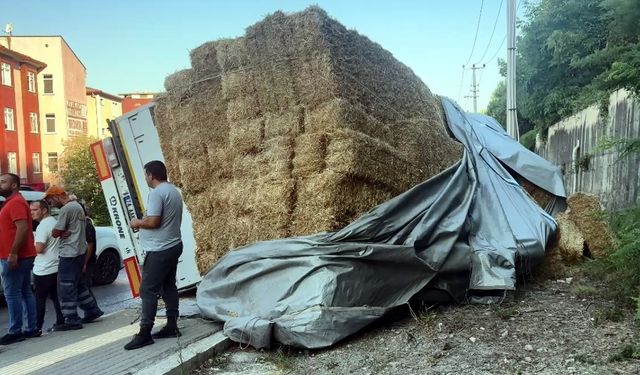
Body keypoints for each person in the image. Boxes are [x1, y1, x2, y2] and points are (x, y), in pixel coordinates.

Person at [124, 160, 183, 350]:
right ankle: (172, 326)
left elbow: (154, 221)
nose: (145, 178)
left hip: (160, 249)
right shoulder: (173, 191)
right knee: (168, 286)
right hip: (173, 244)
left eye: (145, 175)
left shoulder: (157, 193)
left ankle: (145, 333)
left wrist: (137, 222)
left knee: (147, 290)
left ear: (151, 175)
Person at [44, 186, 103, 330]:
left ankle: (71, 319)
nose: (51, 204)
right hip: (79, 252)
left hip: (69, 253)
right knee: (78, 284)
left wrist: (58, 231)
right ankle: (92, 310)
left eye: (50, 201)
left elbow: (56, 232)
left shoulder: (66, 209)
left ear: (57, 196)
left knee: (65, 287)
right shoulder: (77, 206)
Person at [0, 173, 38, 344]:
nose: (0, 184)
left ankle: (16, 331)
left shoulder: (15, 202)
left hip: (15, 256)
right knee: (24, 292)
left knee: (12, 293)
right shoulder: (15, 202)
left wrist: (13, 253)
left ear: (14, 185)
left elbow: (22, 228)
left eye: (3, 182)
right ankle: (31, 328)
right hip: (21, 255)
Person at [30, 199, 65, 332]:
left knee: (40, 300)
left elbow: (39, 249)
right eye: (30, 210)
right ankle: (60, 321)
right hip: (56, 266)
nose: (31, 213)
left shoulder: (42, 226)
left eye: (34, 210)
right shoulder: (54, 222)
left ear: (44, 210)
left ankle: (36, 327)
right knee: (56, 297)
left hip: (43, 269)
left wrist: (27, 248)